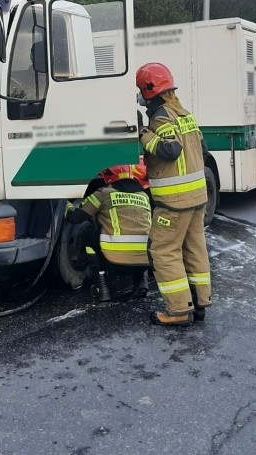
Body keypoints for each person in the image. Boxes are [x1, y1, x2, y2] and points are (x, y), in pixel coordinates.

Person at [136, 62, 211, 327]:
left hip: (174, 201)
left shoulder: (161, 117)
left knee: (164, 251)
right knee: (195, 250)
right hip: (197, 198)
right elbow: (202, 150)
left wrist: (143, 135)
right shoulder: (185, 114)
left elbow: (170, 150)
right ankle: (200, 305)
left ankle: (178, 311)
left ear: (148, 91)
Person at [64, 163, 151, 302]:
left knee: (87, 233)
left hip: (114, 262)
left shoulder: (104, 193)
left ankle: (103, 290)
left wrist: (65, 203)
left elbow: (75, 217)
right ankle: (142, 284)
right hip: (147, 263)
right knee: (139, 233)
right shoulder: (143, 196)